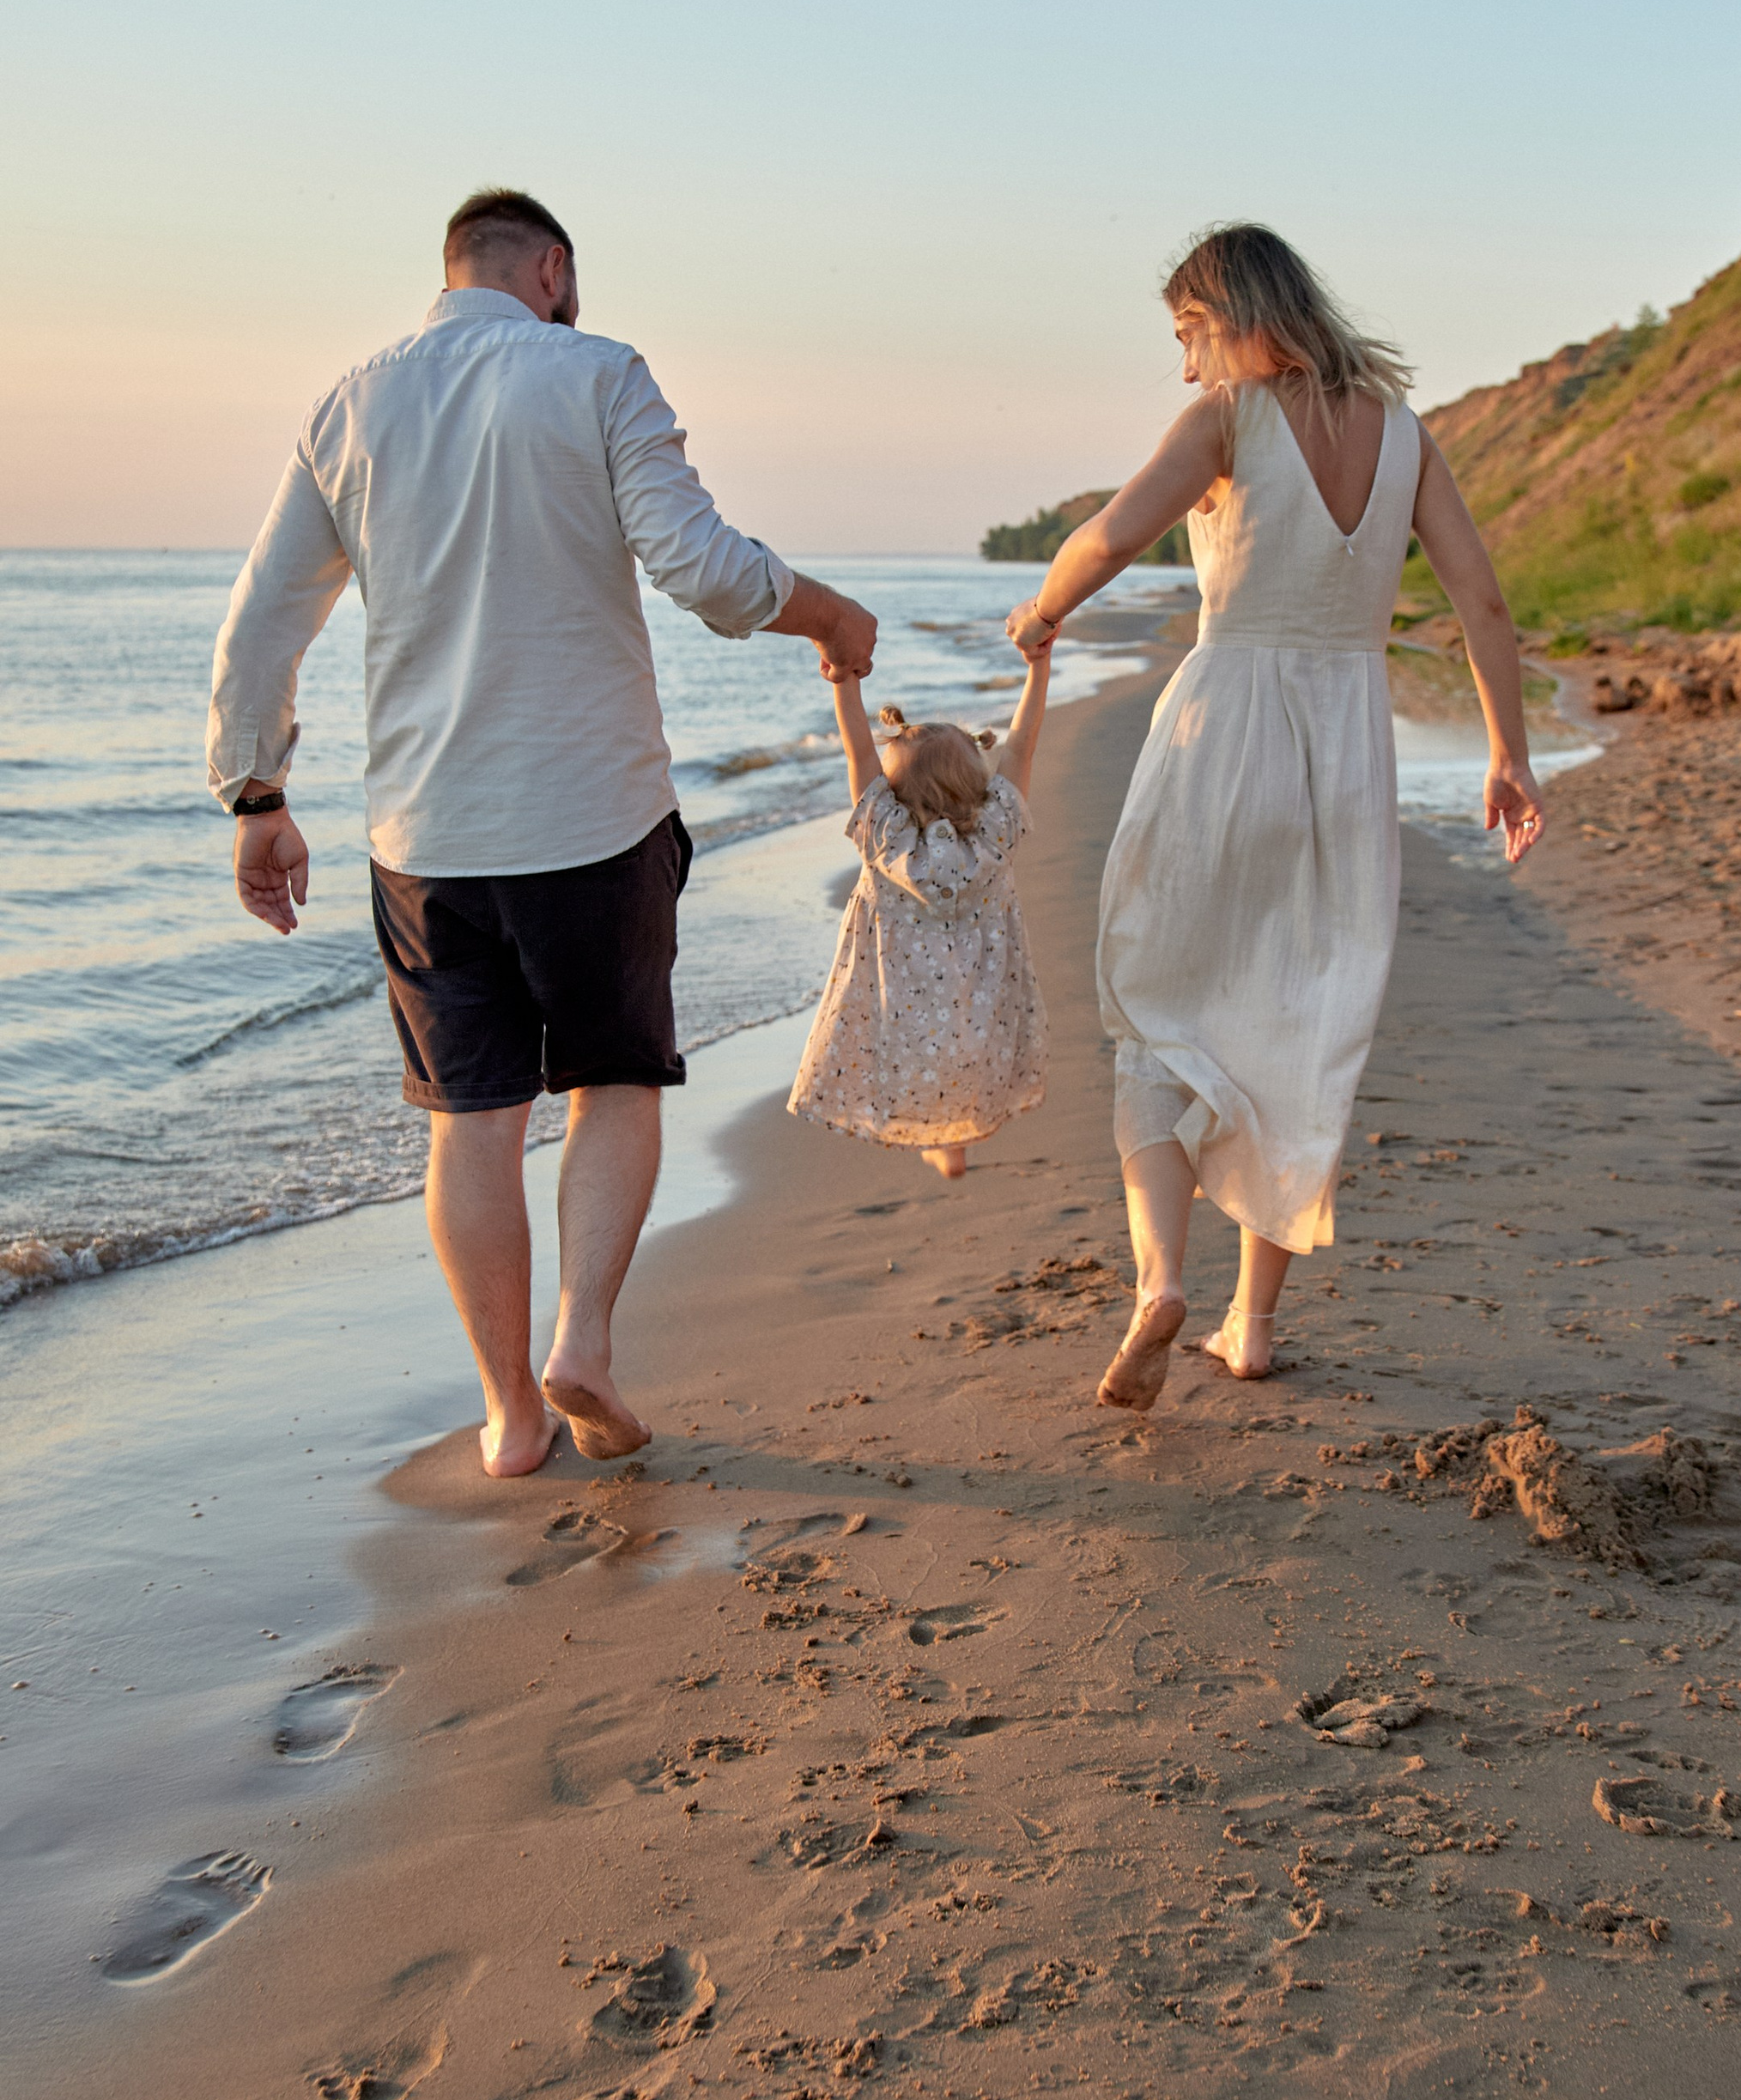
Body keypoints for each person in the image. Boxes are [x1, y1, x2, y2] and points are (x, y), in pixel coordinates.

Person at [208, 187, 877, 1477]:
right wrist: (833, 616)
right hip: (594, 813)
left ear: (452, 272)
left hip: (426, 835)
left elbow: (264, 621)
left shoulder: (349, 402)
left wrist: (258, 797)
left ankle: (511, 1416)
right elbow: (702, 567)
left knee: (473, 1118)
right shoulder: (597, 373)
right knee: (613, 1080)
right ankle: (584, 1342)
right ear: (552, 270)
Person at [1005, 222, 1543, 1410]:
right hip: (1347, 752)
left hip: (1224, 733)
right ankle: (1248, 1326)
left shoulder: (1231, 420)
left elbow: (1110, 536)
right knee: (1301, 1029)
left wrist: (1040, 612)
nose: (1190, 368)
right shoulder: (1405, 435)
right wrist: (1508, 754)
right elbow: (1484, 600)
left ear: (1238, 316)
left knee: (1153, 1004)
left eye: (1191, 337)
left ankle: (1159, 1280)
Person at [788, 646, 1050, 1175]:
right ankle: (953, 1143)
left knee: (904, 1063)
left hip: (905, 1013)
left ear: (893, 791)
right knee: (966, 1059)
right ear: (977, 780)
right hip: (978, 1009)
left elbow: (857, 753)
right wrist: (1037, 667)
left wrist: (844, 682)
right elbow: (1021, 748)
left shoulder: (885, 840)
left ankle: (944, 1146)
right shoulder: (996, 836)